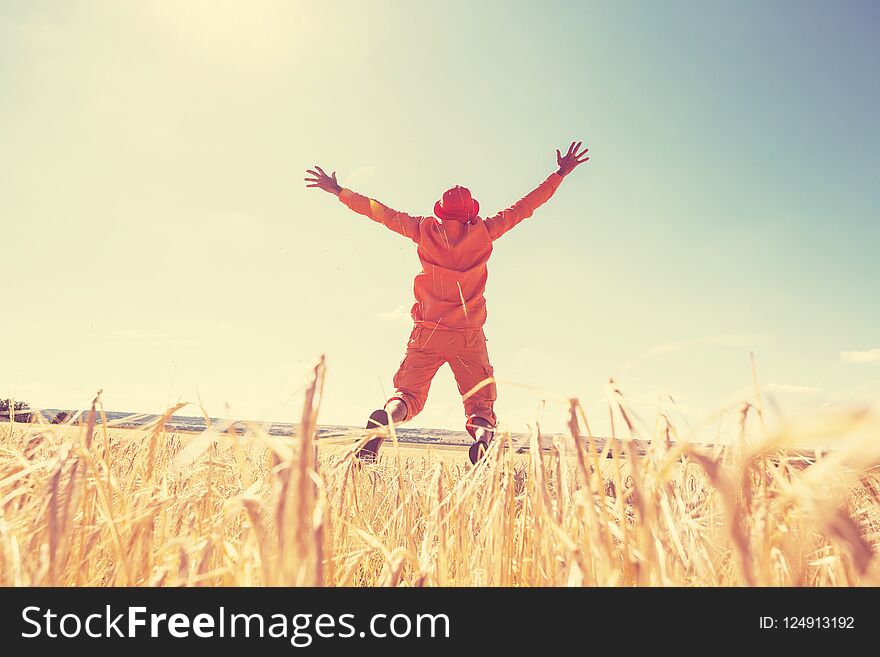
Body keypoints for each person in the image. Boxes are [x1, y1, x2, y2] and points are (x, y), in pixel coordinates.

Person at [305, 141, 589, 463]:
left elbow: (380, 213)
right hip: (468, 335)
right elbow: (525, 207)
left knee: (406, 396)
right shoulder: (485, 231)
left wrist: (338, 190)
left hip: (427, 332)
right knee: (481, 406)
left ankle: (384, 423)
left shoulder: (423, 229)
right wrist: (560, 174)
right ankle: (481, 441)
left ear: (441, 211)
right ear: (471, 213)